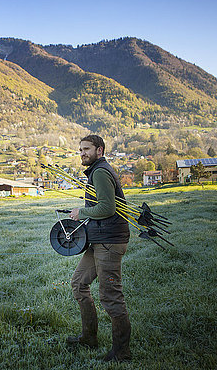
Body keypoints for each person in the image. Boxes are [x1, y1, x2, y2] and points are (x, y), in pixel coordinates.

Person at [67, 134, 131, 362]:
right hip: (98, 240)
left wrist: (81, 212)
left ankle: (121, 352)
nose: (82, 153)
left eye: (87, 149)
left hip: (110, 242)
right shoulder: (96, 170)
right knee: (79, 284)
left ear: (99, 151)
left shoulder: (101, 172)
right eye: (80, 149)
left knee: (111, 296)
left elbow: (107, 208)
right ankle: (89, 337)